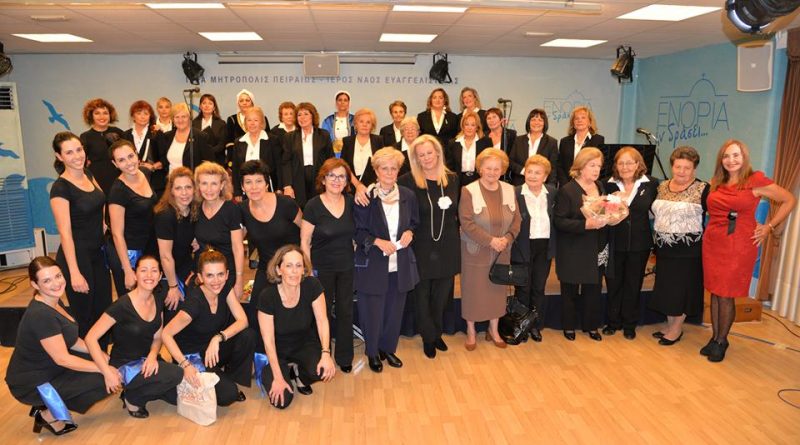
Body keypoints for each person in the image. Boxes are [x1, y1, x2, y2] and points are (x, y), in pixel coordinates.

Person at [701, 140, 796, 362]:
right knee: (716, 291)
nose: (731, 160)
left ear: (744, 157)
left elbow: (789, 199)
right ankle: (714, 338)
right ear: (721, 160)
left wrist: (769, 226)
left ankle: (722, 341)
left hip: (738, 244)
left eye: (736, 155)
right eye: (726, 156)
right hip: (714, 241)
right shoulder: (716, 181)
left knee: (726, 293)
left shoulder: (755, 180)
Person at [5, 257, 108, 436]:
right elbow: (63, 359)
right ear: (35, 284)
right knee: (102, 379)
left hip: (49, 367)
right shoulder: (41, 315)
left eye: (58, 276)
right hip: (32, 382)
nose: (56, 283)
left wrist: (99, 354)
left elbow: (72, 340)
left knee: (100, 360)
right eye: (47, 281)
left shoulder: (53, 300)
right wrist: (103, 368)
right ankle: (47, 413)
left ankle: (50, 404)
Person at [85, 256, 183, 419]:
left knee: (175, 396)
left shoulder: (158, 298)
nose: (149, 275)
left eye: (154, 271)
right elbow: (90, 338)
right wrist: (106, 372)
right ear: (135, 274)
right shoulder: (122, 306)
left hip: (147, 359)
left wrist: (152, 356)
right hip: (126, 364)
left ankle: (134, 389)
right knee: (176, 374)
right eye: (143, 270)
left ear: (160, 276)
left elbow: (158, 337)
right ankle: (133, 398)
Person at [354, 148, 420, 372]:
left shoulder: (408, 195)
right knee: (372, 312)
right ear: (376, 170)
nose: (390, 173)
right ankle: (373, 352)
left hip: (401, 264)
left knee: (394, 312)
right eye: (385, 168)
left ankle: (388, 348)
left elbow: (414, 222)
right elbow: (358, 232)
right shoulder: (365, 197)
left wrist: (410, 232)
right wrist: (376, 241)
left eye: (394, 168)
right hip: (374, 263)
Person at [162, 250, 255, 406]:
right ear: (200, 277)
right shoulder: (195, 303)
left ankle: (228, 377)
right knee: (228, 395)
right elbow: (166, 334)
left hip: (212, 347)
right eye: (210, 275)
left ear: (227, 274)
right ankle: (183, 377)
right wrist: (185, 364)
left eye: (220, 274)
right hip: (193, 355)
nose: (216, 281)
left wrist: (218, 338)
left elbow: (243, 320)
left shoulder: (225, 288)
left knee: (248, 335)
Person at [398, 135, 460, 358]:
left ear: (438, 153)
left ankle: (436, 332)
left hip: (448, 244)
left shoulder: (453, 179)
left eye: (429, 153)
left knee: (442, 295)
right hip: (420, 245)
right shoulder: (407, 181)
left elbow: (457, 212)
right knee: (422, 294)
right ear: (415, 158)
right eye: (420, 155)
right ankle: (428, 336)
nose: (426, 158)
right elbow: (403, 214)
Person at [49, 132, 112, 342]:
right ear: (59, 157)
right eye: (69, 152)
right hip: (76, 257)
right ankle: (88, 359)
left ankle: (102, 356)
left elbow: (101, 200)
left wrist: (102, 224)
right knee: (85, 315)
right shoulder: (60, 188)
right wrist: (74, 273)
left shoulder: (88, 174)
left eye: (79, 150)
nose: (77, 156)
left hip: (97, 253)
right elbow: (65, 233)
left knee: (103, 311)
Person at [257, 246, 336, 409]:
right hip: (277, 351)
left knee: (322, 370)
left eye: (298, 265)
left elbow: (322, 321)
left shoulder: (312, 285)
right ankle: (281, 371)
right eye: (289, 266)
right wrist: (278, 378)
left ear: (304, 269)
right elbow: (268, 341)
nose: (294, 271)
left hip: (304, 344)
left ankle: (299, 375)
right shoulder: (267, 296)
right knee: (282, 401)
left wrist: (326, 353)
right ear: (278, 270)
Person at [459, 148, 521, 350]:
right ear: (480, 169)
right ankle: (471, 331)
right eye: (488, 168)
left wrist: (507, 238)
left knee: (497, 291)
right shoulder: (469, 190)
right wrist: (490, 240)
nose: (492, 172)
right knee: (473, 290)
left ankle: (493, 330)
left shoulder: (510, 189)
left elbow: (517, 220)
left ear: (502, 170)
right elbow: (466, 223)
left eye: (497, 168)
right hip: (476, 250)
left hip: (502, 249)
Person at [648, 147, 708, 346]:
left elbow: (718, 216)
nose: (681, 171)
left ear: (694, 169)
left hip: (688, 251)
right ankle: (670, 325)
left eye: (687, 168)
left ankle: (676, 329)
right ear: (672, 166)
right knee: (667, 288)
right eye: (678, 166)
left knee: (682, 290)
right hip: (664, 248)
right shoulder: (662, 186)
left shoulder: (703, 189)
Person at [300, 158, 356, 372]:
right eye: (331, 175)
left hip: (346, 266)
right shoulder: (313, 205)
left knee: (345, 311)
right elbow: (305, 241)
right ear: (323, 179)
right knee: (321, 313)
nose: (336, 180)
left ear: (347, 181)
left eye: (341, 176)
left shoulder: (351, 202)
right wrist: (308, 271)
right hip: (320, 269)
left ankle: (344, 357)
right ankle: (321, 356)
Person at [240, 160, 302, 352]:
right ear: (242, 187)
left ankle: (293, 354)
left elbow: (307, 232)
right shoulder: (242, 210)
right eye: (248, 182)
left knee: (291, 312)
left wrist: (305, 266)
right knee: (255, 312)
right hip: (267, 268)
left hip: (293, 267)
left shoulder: (286, 204)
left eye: (258, 181)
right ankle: (263, 357)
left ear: (267, 183)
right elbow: (234, 239)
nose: (254, 187)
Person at [554, 147, 610, 342]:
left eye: (599, 166)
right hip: (573, 247)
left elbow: (603, 212)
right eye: (592, 165)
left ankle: (591, 325)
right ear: (580, 166)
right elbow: (559, 221)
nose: (596, 170)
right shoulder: (567, 190)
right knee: (569, 289)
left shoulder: (600, 186)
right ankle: (569, 326)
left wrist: (611, 216)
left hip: (597, 245)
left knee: (593, 288)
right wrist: (585, 224)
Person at [603, 147, 658, 340]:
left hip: (640, 244)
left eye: (629, 162)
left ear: (638, 164)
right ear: (616, 165)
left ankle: (629, 324)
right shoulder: (607, 185)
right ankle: (613, 322)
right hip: (614, 242)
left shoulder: (651, 184)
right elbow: (600, 212)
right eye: (621, 163)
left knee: (633, 284)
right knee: (613, 283)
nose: (625, 167)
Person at [511, 155, 556, 342]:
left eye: (538, 173)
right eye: (529, 171)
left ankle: (535, 326)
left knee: (538, 288)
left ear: (545, 176)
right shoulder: (515, 192)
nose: (532, 176)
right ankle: (520, 326)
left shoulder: (552, 192)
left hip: (544, 246)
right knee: (523, 288)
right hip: (522, 246)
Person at [107, 140, 157, 298]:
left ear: (136, 154)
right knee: (132, 302)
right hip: (129, 254)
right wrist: (128, 270)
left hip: (147, 247)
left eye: (130, 156)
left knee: (149, 298)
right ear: (115, 164)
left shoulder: (144, 173)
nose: (129, 163)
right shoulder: (118, 191)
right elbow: (117, 234)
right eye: (121, 160)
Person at [194, 161, 245, 300]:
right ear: (198, 185)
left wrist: (239, 281)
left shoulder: (231, 209)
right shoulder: (196, 208)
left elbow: (238, 247)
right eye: (204, 183)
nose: (209, 189)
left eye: (214, 184)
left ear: (222, 185)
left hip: (226, 275)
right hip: (203, 275)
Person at [153, 167, 198, 322]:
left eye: (188, 187)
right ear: (171, 191)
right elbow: (165, 256)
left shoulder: (192, 210)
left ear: (194, 189)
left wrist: (195, 239)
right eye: (178, 188)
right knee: (175, 309)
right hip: (164, 273)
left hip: (183, 265)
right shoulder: (165, 215)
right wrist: (173, 287)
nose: (184, 193)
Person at [281, 102, 335, 207]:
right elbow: (286, 162)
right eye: (299, 115)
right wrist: (287, 185)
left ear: (313, 116)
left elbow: (330, 159)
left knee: (318, 207)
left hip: (319, 178)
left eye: (306, 114)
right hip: (297, 179)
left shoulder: (323, 135)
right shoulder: (289, 137)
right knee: (300, 209)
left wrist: (329, 180)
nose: (302, 117)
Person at [230, 106, 282, 200]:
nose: (252, 123)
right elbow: (236, 168)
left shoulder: (272, 140)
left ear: (262, 122)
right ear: (245, 123)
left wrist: (279, 188)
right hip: (246, 190)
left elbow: (279, 165)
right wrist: (237, 191)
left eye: (256, 120)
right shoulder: (239, 142)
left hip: (268, 188)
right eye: (249, 120)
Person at [80, 98, 125, 194]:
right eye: (97, 113)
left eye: (105, 113)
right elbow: (82, 160)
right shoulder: (85, 136)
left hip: (120, 178)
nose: (102, 116)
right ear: (91, 116)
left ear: (110, 115)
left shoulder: (119, 132)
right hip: (96, 180)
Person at [341, 108, 384, 198]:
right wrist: (358, 185)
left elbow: (382, 164)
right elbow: (344, 165)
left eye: (368, 122)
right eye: (361, 121)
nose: (364, 125)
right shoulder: (347, 141)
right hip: (352, 187)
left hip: (374, 187)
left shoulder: (378, 140)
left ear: (372, 126)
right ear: (356, 124)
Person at [157, 102, 212, 173]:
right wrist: (158, 164)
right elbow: (165, 159)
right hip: (171, 178)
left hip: (192, 178)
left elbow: (209, 163)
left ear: (189, 118)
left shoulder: (200, 136)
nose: (180, 120)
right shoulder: (167, 136)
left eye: (183, 117)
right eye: (177, 117)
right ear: (173, 119)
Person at [509, 108, 558, 186]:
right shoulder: (518, 140)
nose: (536, 123)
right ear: (529, 122)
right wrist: (525, 171)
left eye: (540, 120)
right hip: (519, 184)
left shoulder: (551, 142)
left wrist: (551, 186)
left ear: (544, 123)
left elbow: (553, 168)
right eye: (533, 120)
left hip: (541, 185)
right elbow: (510, 162)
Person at [557, 106, 605, 186]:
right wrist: (566, 185)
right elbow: (560, 166)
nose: (579, 120)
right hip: (567, 185)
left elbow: (599, 164)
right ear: (573, 123)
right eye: (576, 118)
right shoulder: (564, 141)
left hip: (588, 184)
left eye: (583, 118)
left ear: (589, 122)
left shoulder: (598, 140)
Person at [446, 111, 489, 187]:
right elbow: (449, 166)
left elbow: (488, 164)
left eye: (473, 125)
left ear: (477, 127)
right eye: (466, 124)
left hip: (479, 180)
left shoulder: (485, 143)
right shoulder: (453, 143)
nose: (469, 128)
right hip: (458, 182)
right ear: (462, 126)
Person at [122, 100, 161, 183]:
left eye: (146, 114)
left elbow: (165, 158)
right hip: (131, 180)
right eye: (139, 113)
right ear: (133, 116)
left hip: (154, 181)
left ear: (150, 116)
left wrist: (153, 166)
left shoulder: (156, 133)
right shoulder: (125, 135)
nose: (143, 117)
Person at [226, 89, 269, 153]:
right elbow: (230, 143)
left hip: (261, 153)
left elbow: (268, 138)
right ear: (238, 104)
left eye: (247, 100)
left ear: (252, 102)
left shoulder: (262, 118)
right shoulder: (232, 119)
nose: (244, 103)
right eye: (241, 101)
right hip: (239, 154)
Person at [192, 93, 227, 167]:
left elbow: (221, 144)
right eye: (204, 103)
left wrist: (208, 152)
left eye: (210, 103)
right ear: (200, 106)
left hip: (216, 161)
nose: (207, 106)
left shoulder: (221, 123)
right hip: (198, 161)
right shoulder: (193, 123)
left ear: (214, 107)